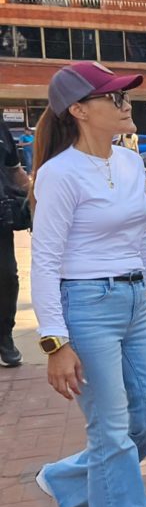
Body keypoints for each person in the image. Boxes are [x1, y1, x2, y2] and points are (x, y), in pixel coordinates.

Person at [31, 61, 146, 507]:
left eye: (123, 96)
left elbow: (144, 235)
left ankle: (70, 483)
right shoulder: (59, 174)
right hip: (85, 308)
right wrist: (54, 342)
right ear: (79, 110)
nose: (124, 104)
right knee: (112, 432)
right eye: (113, 98)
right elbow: (44, 260)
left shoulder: (131, 163)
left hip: (136, 303)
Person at [0, 120, 29, 368]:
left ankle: (4, 337)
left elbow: (14, 170)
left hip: (1, 220)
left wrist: (36, 194)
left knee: (7, 277)